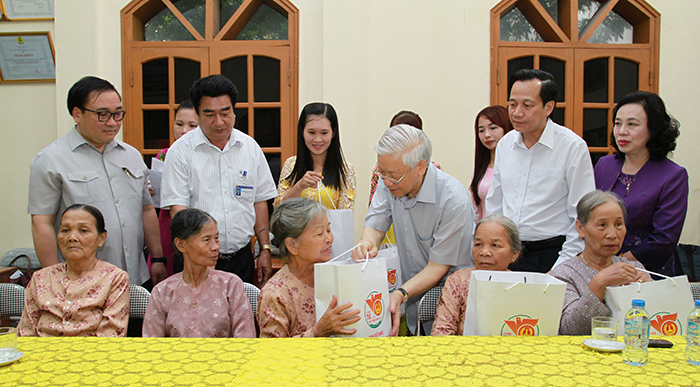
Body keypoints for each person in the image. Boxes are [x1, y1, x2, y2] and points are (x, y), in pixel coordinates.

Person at [28, 76, 165, 287]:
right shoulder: (50, 160)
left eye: (118, 114)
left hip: (135, 277)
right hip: (81, 281)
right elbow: (42, 223)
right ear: (77, 114)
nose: (112, 122)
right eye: (102, 115)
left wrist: (157, 258)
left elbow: (146, 210)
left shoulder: (132, 155)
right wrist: (53, 279)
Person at [353, 125, 474, 336]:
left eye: (394, 175)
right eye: (382, 172)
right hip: (412, 300)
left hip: (451, 305)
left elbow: (438, 266)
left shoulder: (453, 200)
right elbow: (375, 224)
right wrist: (367, 244)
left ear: (420, 167)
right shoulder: (388, 183)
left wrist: (401, 293)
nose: (386, 181)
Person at [161, 74, 277, 286]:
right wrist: (200, 251)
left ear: (234, 111)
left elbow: (259, 201)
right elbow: (179, 211)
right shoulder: (180, 152)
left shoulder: (249, 147)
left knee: (239, 317)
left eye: (225, 113)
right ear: (197, 114)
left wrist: (265, 249)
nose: (219, 122)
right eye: (209, 114)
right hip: (197, 262)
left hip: (241, 259)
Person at [485, 69, 595, 273]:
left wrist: (562, 267)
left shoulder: (572, 147)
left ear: (548, 107)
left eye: (527, 105)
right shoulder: (505, 144)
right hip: (508, 253)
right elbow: (495, 203)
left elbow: (581, 214)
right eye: (512, 104)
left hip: (553, 253)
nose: (517, 112)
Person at [594, 91, 688, 275]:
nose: (622, 131)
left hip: (644, 271)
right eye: (618, 123)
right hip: (598, 264)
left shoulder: (673, 175)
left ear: (654, 128)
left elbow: (663, 240)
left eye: (632, 124)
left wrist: (616, 262)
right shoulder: (605, 165)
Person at [18, 204, 130, 337]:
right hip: (41, 354)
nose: (72, 237)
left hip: (91, 355)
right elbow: (25, 332)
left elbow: (110, 336)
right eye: (65, 230)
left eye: (83, 230)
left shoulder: (114, 278)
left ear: (101, 239)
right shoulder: (40, 278)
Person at [142, 208, 255, 338]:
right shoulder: (163, 292)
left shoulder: (231, 285)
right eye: (206, 240)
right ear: (181, 245)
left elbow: (246, 340)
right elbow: (152, 346)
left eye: (216, 238)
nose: (215, 247)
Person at [550, 190, 651, 335]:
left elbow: (656, 323)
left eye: (618, 224)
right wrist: (598, 284)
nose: (612, 235)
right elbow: (570, 330)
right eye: (602, 225)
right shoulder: (564, 274)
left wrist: (650, 290)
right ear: (580, 228)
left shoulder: (634, 268)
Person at [257, 198, 361, 337]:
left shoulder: (333, 276)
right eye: (319, 233)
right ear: (292, 245)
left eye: (329, 230)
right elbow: (273, 353)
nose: (329, 238)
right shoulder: (275, 295)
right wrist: (317, 332)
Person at [431, 215, 522, 336]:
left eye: (495, 245)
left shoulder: (522, 287)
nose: (484, 252)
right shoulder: (458, 281)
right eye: (478, 244)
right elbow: (441, 333)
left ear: (514, 254)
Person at [274, 102, 356, 209]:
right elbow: (279, 210)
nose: (317, 140)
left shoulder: (345, 170)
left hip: (330, 226)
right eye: (311, 132)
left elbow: (345, 214)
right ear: (302, 132)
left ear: (333, 133)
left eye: (324, 133)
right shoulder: (291, 164)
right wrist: (299, 186)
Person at [153, 100, 199, 277]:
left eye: (192, 125)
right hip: (167, 219)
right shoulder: (164, 154)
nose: (184, 130)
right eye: (179, 124)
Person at [470, 106, 513, 222]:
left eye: (493, 128)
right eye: (481, 130)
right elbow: (476, 209)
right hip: (487, 232)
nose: (487, 135)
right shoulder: (481, 167)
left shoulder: (516, 164)